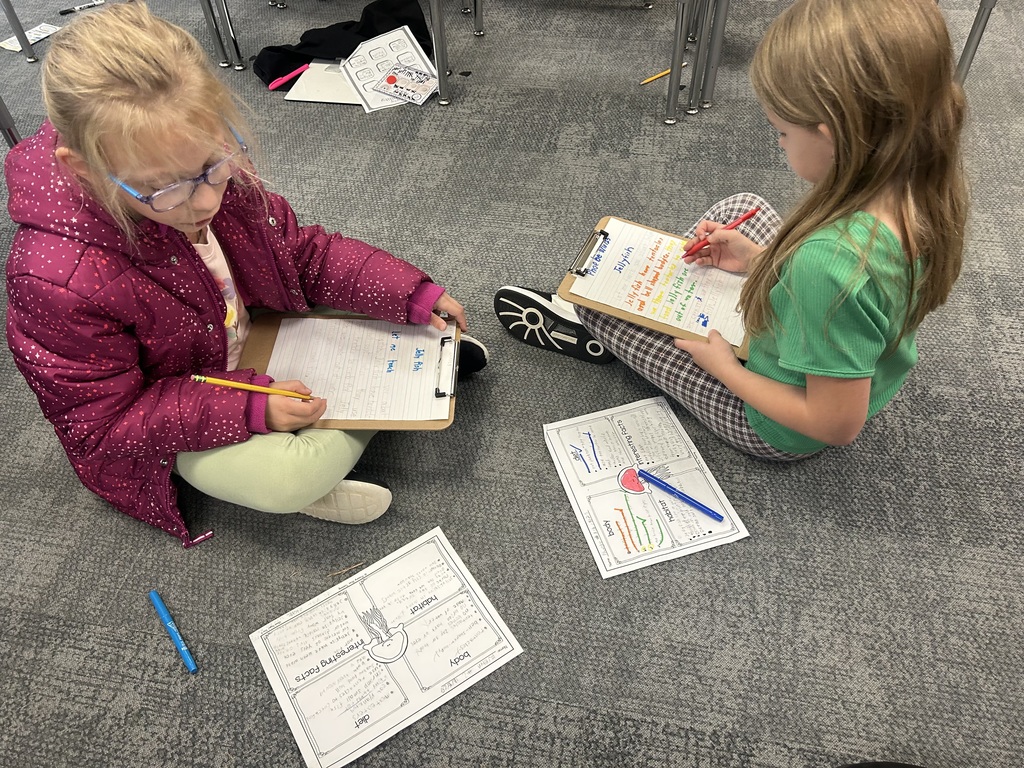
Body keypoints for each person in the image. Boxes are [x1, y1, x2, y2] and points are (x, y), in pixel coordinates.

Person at [4, 2, 488, 546]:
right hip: (181, 406)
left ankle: (399, 380)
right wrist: (248, 406)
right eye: (168, 190)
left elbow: (300, 255)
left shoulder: (197, 164)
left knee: (376, 301)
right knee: (287, 478)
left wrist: (410, 292)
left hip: (244, 329)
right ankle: (403, 388)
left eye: (215, 165)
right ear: (83, 169)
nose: (207, 198)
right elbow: (108, 421)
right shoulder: (54, 280)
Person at [495, 0, 966, 461]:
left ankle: (589, 331)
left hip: (776, 424)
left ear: (831, 136)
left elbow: (834, 425)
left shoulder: (827, 264)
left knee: (598, 306)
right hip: (840, 351)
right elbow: (857, 293)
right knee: (744, 207)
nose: (780, 143)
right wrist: (757, 260)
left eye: (781, 132)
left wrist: (726, 370)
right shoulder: (922, 184)